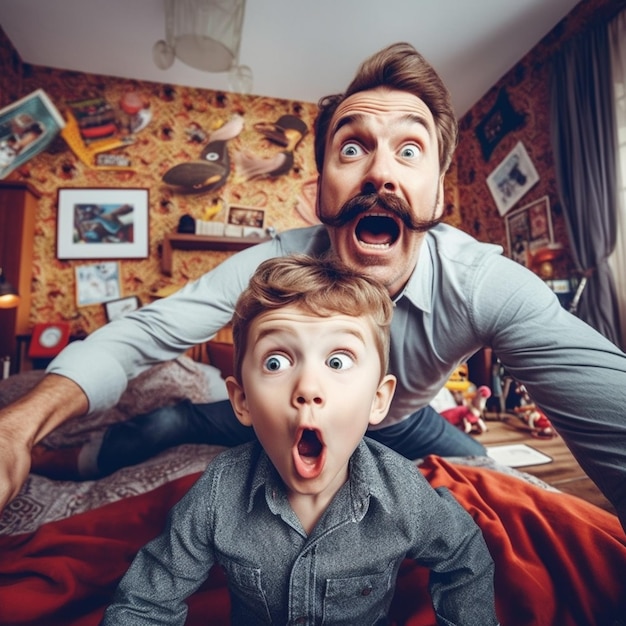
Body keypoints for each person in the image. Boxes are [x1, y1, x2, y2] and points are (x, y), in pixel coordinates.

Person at [2, 41, 626, 534]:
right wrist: (22, 423)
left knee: (481, 466)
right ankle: (72, 458)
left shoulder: (485, 283)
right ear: (319, 190)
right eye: (353, 147)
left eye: (410, 151)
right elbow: (145, 332)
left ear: (438, 194)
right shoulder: (277, 262)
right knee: (171, 422)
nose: (380, 171)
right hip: (290, 415)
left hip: (398, 424)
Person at [101, 255, 498, 625]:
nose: (308, 387)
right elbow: (145, 600)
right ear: (241, 401)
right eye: (276, 362)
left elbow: (464, 555)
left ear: (378, 400)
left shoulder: (403, 494)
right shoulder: (218, 493)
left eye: (338, 361)